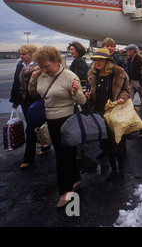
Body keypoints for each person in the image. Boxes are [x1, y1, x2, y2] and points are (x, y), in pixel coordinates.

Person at [28, 46, 86, 208]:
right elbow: (33, 92)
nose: (45, 70)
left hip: (66, 120)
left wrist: (75, 91)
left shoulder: (69, 76)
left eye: (47, 66)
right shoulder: (42, 75)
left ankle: (65, 191)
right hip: (50, 121)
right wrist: (34, 78)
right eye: (41, 67)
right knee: (66, 154)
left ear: (56, 61)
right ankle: (76, 179)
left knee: (62, 156)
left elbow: (82, 101)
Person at [86, 48, 131, 182]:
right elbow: (91, 91)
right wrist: (88, 96)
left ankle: (121, 170)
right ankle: (113, 169)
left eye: (100, 59)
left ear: (107, 61)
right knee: (107, 145)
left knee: (119, 144)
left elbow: (127, 90)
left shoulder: (118, 72)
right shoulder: (92, 73)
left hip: (116, 113)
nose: (97, 62)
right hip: (101, 114)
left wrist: (122, 98)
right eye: (95, 59)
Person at [10, 44, 48, 169]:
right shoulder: (20, 65)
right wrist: (15, 100)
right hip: (24, 101)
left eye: (24, 54)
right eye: (20, 54)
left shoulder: (38, 66)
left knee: (31, 128)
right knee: (33, 126)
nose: (21, 56)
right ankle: (44, 145)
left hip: (36, 100)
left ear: (31, 54)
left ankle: (29, 158)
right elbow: (16, 83)